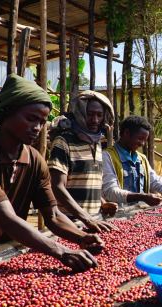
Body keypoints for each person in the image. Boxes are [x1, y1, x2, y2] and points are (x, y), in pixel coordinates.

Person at [0, 74, 103, 272]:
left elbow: (53, 215)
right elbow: (6, 218)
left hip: (3, 255)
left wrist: (81, 237)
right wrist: (61, 251)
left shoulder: (34, 159)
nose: (37, 127)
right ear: (6, 113)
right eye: (31, 119)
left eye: (42, 122)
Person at [48, 90, 116, 232]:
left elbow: (88, 182)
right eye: (90, 114)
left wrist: (102, 203)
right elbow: (57, 187)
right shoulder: (63, 141)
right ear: (80, 113)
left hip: (94, 221)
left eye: (99, 115)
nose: (95, 120)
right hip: (70, 223)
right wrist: (85, 217)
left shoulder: (96, 143)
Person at [102, 115, 162, 206]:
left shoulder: (141, 159)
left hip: (138, 212)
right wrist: (143, 197)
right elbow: (111, 192)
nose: (142, 144)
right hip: (117, 215)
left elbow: (157, 182)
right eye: (139, 139)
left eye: (144, 140)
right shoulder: (107, 157)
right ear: (126, 133)